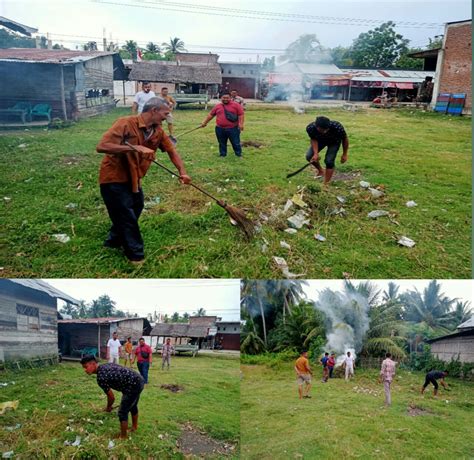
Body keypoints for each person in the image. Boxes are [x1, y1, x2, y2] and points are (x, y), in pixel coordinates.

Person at [96, 97, 191, 264]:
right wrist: (134, 148)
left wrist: (182, 172)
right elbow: (102, 146)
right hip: (114, 177)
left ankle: (113, 241)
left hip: (135, 178)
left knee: (136, 206)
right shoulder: (125, 122)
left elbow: (171, 151)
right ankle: (135, 255)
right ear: (154, 111)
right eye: (165, 113)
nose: (167, 117)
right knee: (126, 215)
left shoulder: (158, 131)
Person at [81, 355, 144, 439]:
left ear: (93, 364)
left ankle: (123, 436)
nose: (85, 370)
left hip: (132, 385)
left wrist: (108, 407)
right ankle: (134, 427)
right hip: (139, 379)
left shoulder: (101, 378)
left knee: (122, 412)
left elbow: (111, 397)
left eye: (86, 367)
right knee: (133, 406)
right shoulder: (105, 365)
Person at [306, 116, 349, 185]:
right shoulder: (310, 128)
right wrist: (316, 153)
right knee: (309, 156)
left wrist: (344, 154)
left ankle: (326, 183)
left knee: (329, 161)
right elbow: (313, 139)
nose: (325, 131)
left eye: (327, 129)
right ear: (316, 127)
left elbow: (345, 139)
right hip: (320, 141)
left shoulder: (337, 126)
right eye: (322, 130)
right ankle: (321, 171)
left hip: (334, 142)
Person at [201, 92, 244, 158]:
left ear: (230, 98)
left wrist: (241, 124)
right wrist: (204, 122)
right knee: (222, 143)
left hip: (233, 128)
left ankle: (238, 154)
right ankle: (223, 154)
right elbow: (211, 115)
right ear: (221, 98)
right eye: (224, 98)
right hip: (220, 128)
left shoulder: (236, 105)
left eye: (227, 98)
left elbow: (241, 115)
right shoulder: (217, 106)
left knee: (235, 142)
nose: (225, 99)